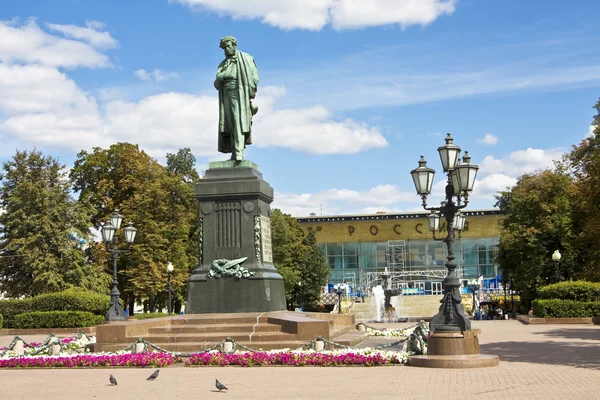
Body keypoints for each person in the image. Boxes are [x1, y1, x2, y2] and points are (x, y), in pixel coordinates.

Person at [214, 36, 259, 161]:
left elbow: (255, 76)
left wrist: (250, 92)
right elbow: (216, 84)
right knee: (229, 124)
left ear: (234, 45)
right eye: (224, 48)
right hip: (226, 95)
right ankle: (234, 152)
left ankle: (239, 152)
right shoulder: (223, 64)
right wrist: (222, 76)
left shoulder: (246, 58)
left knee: (238, 120)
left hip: (239, 93)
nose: (226, 50)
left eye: (228, 46)